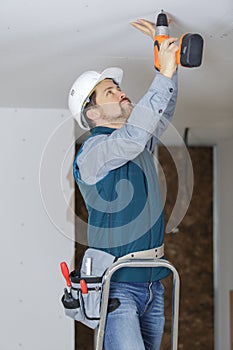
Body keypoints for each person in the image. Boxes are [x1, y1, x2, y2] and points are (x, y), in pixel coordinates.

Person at [69, 19, 178, 350]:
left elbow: (162, 110)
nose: (120, 90)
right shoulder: (92, 153)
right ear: (93, 115)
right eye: (109, 91)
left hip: (153, 282)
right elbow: (131, 140)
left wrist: (164, 54)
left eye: (117, 86)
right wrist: (163, 76)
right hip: (118, 286)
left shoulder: (138, 144)